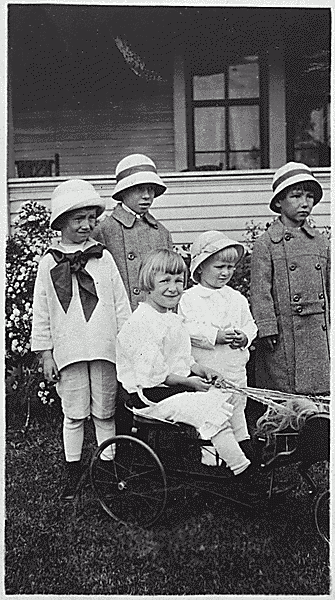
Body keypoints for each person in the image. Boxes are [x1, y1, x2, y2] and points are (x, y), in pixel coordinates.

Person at [116, 248, 255, 481]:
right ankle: (242, 470)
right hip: (150, 395)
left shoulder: (170, 318)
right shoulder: (141, 323)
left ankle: (245, 452)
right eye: (165, 281)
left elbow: (184, 360)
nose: (173, 288)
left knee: (226, 396)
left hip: (171, 389)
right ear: (148, 284)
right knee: (209, 407)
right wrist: (190, 382)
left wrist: (203, 370)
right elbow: (155, 375)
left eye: (179, 281)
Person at [31, 179, 131, 501]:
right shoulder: (49, 263)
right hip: (69, 349)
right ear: (60, 223)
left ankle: (107, 469)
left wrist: (126, 341)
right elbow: (43, 311)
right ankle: (73, 473)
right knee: (74, 413)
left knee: (105, 411)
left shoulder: (103, 259)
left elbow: (119, 302)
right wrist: (46, 354)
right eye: (78, 219)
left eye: (91, 218)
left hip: (104, 347)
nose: (87, 225)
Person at [250, 161, 330, 396]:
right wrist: (266, 328)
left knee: (319, 390)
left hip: (318, 330)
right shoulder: (267, 243)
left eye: (309, 197)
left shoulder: (321, 242)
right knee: (284, 390)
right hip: (284, 335)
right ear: (278, 202)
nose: (304, 203)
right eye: (295, 196)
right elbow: (260, 291)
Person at [178, 231, 258, 463]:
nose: (226, 273)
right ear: (201, 267)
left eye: (231, 267)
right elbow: (187, 329)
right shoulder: (190, 299)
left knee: (237, 408)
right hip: (209, 366)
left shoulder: (236, 298)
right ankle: (211, 459)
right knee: (213, 412)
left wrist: (244, 337)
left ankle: (243, 452)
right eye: (220, 267)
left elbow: (250, 325)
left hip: (234, 366)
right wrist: (216, 336)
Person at [92, 153, 173, 311]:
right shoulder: (104, 230)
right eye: (139, 189)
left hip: (156, 315)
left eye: (150, 189)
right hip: (118, 313)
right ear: (123, 192)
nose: (146, 196)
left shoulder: (162, 233)